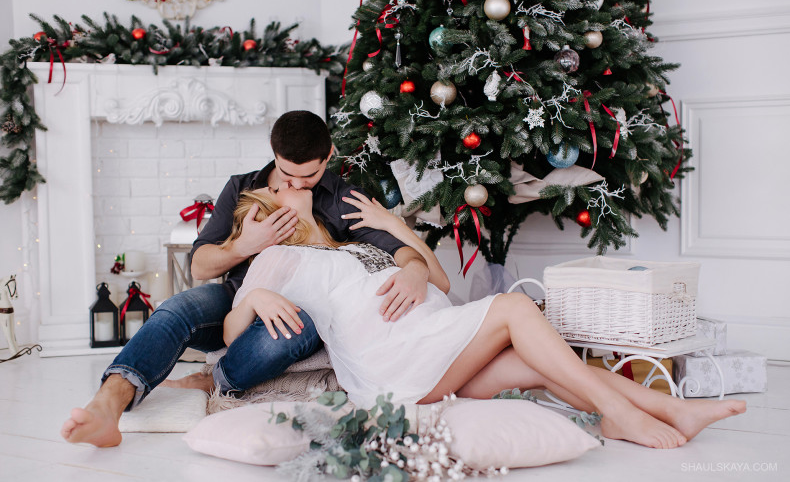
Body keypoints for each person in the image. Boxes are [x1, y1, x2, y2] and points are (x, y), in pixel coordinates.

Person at [202, 186, 746, 449]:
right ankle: (620, 413)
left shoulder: (347, 247)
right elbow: (230, 332)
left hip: (432, 345)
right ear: (265, 225)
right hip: (395, 362)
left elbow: (437, 281)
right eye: (271, 195)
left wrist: (396, 226)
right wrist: (256, 299)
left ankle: (672, 410)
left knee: (533, 365)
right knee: (514, 307)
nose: (284, 189)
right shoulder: (276, 258)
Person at [60, 111, 438, 448]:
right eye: (287, 175)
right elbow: (200, 266)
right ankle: (108, 405)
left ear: (329, 156)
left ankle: (217, 378)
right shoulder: (243, 187)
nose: (298, 184)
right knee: (177, 310)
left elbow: (393, 250)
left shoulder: (343, 198)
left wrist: (416, 269)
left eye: (309, 176)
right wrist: (245, 245)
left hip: (299, 312)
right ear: (274, 155)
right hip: (235, 299)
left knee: (299, 323)